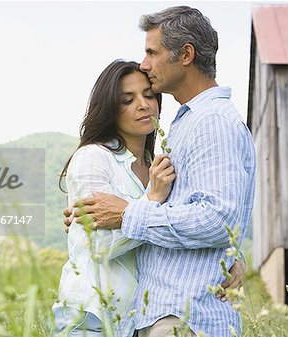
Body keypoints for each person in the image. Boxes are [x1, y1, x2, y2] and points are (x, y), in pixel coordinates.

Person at [64, 6, 255, 337]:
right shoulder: (188, 124)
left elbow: (218, 220)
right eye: (127, 99)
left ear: (185, 55)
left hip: (184, 316)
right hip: (141, 316)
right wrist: (225, 258)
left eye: (152, 52)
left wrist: (129, 214)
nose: (145, 63)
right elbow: (199, 216)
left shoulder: (212, 123)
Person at [51, 59, 176, 337]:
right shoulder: (92, 158)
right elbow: (97, 244)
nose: (143, 105)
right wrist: (151, 201)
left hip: (139, 319)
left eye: (148, 95)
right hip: (91, 317)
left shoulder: (159, 165)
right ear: (110, 108)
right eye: (127, 100)